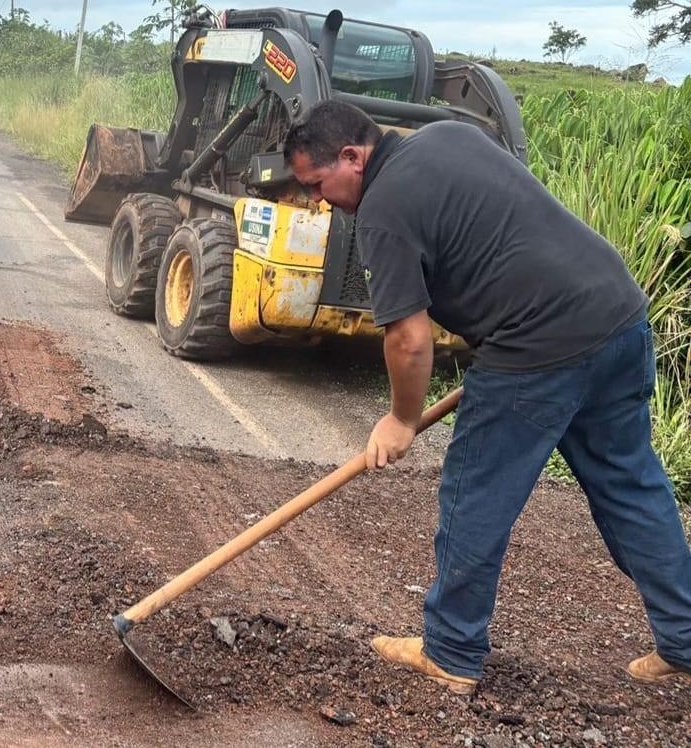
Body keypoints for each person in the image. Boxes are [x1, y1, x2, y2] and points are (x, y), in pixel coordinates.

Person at [282, 100, 691, 694]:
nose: (320, 200)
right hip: (617, 315)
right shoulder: (450, 135)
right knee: (631, 484)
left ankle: (450, 650)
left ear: (353, 156)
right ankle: (684, 640)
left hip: (537, 343)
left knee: (475, 490)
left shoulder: (382, 209)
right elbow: (499, 237)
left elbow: (408, 338)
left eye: (319, 184)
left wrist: (400, 419)